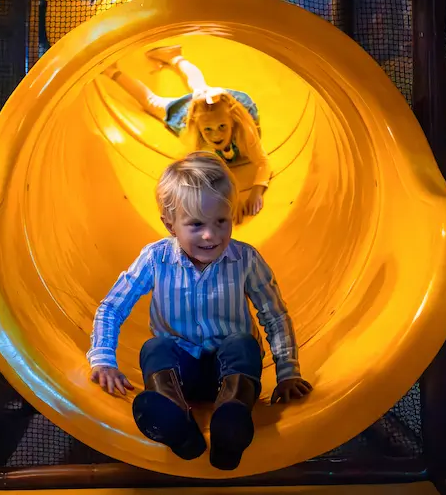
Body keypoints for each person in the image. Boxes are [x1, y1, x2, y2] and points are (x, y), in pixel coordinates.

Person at [87, 151, 312, 470]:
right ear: (170, 225)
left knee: (242, 343)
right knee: (156, 346)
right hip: (181, 375)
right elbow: (112, 306)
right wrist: (103, 358)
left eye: (221, 221)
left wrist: (288, 372)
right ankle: (176, 420)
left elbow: (274, 315)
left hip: (232, 372)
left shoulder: (245, 260)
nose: (211, 235)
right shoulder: (155, 259)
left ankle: (231, 421)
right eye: (195, 224)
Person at [103, 46, 271, 220]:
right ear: (198, 127)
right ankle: (112, 71)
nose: (216, 136)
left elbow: (263, 162)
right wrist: (230, 201)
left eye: (222, 127)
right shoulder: (193, 134)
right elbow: (204, 176)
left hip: (227, 106)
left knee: (201, 88)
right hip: (199, 113)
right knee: (153, 103)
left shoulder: (243, 128)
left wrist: (256, 192)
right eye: (208, 130)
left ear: (232, 123)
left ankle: (175, 57)